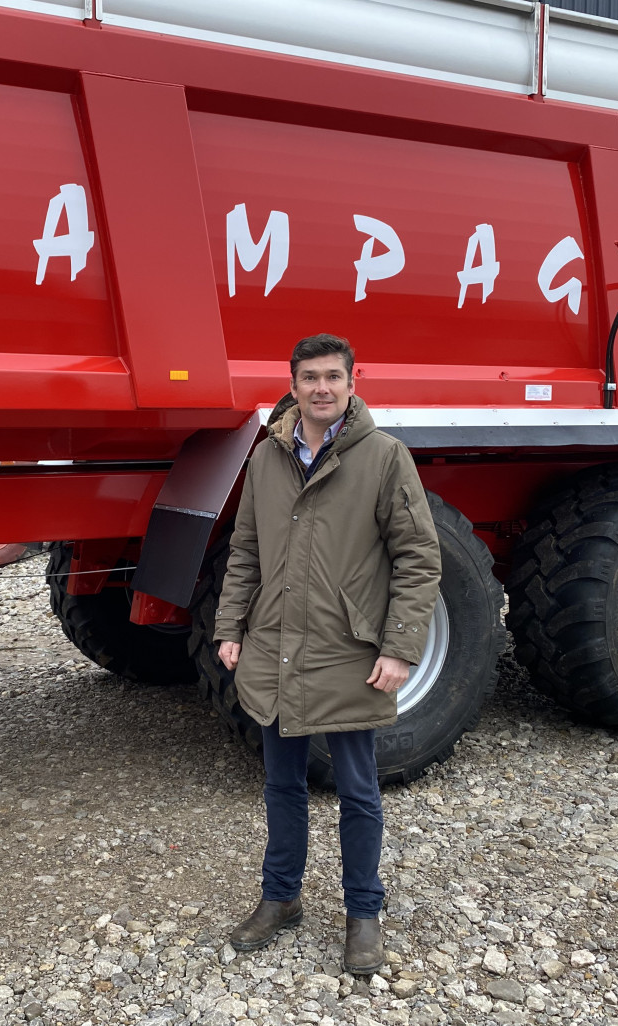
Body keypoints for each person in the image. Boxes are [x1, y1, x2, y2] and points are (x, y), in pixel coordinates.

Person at [214, 333, 441, 974]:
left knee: (359, 790)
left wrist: (399, 648)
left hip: (349, 652)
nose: (320, 388)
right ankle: (281, 898)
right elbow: (246, 552)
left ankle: (363, 913)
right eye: (309, 377)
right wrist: (230, 626)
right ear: (292, 384)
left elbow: (419, 559)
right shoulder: (267, 459)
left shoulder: (385, 457)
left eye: (332, 377)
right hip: (275, 647)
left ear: (351, 381)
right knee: (280, 783)